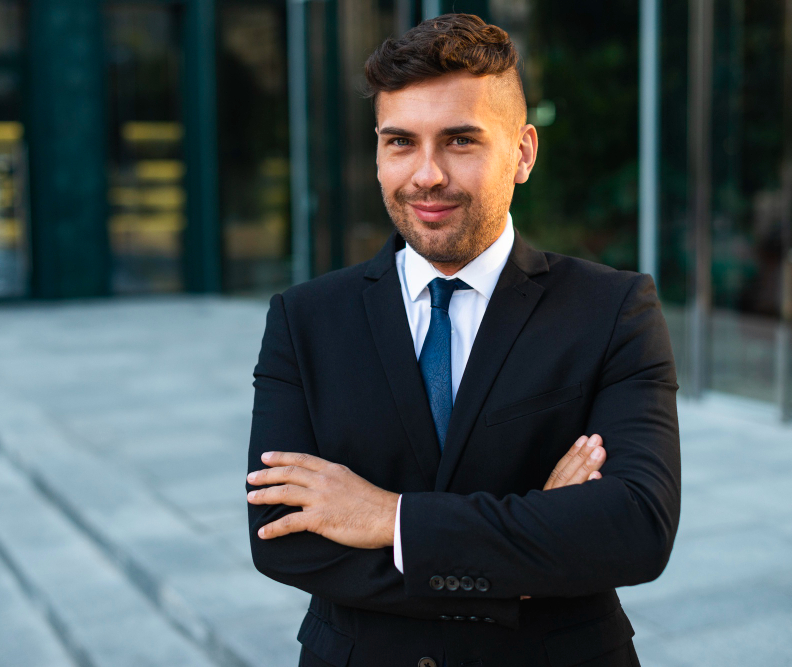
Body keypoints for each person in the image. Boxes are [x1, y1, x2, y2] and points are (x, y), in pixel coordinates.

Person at [245, 13, 680, 667]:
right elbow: (280, 538)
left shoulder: (614, 311)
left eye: (459, 142)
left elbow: (635, 529)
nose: (426, 175)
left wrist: (388, 519)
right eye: (399, 142)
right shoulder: (304, 319)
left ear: (523, 152)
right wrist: (538, 540)